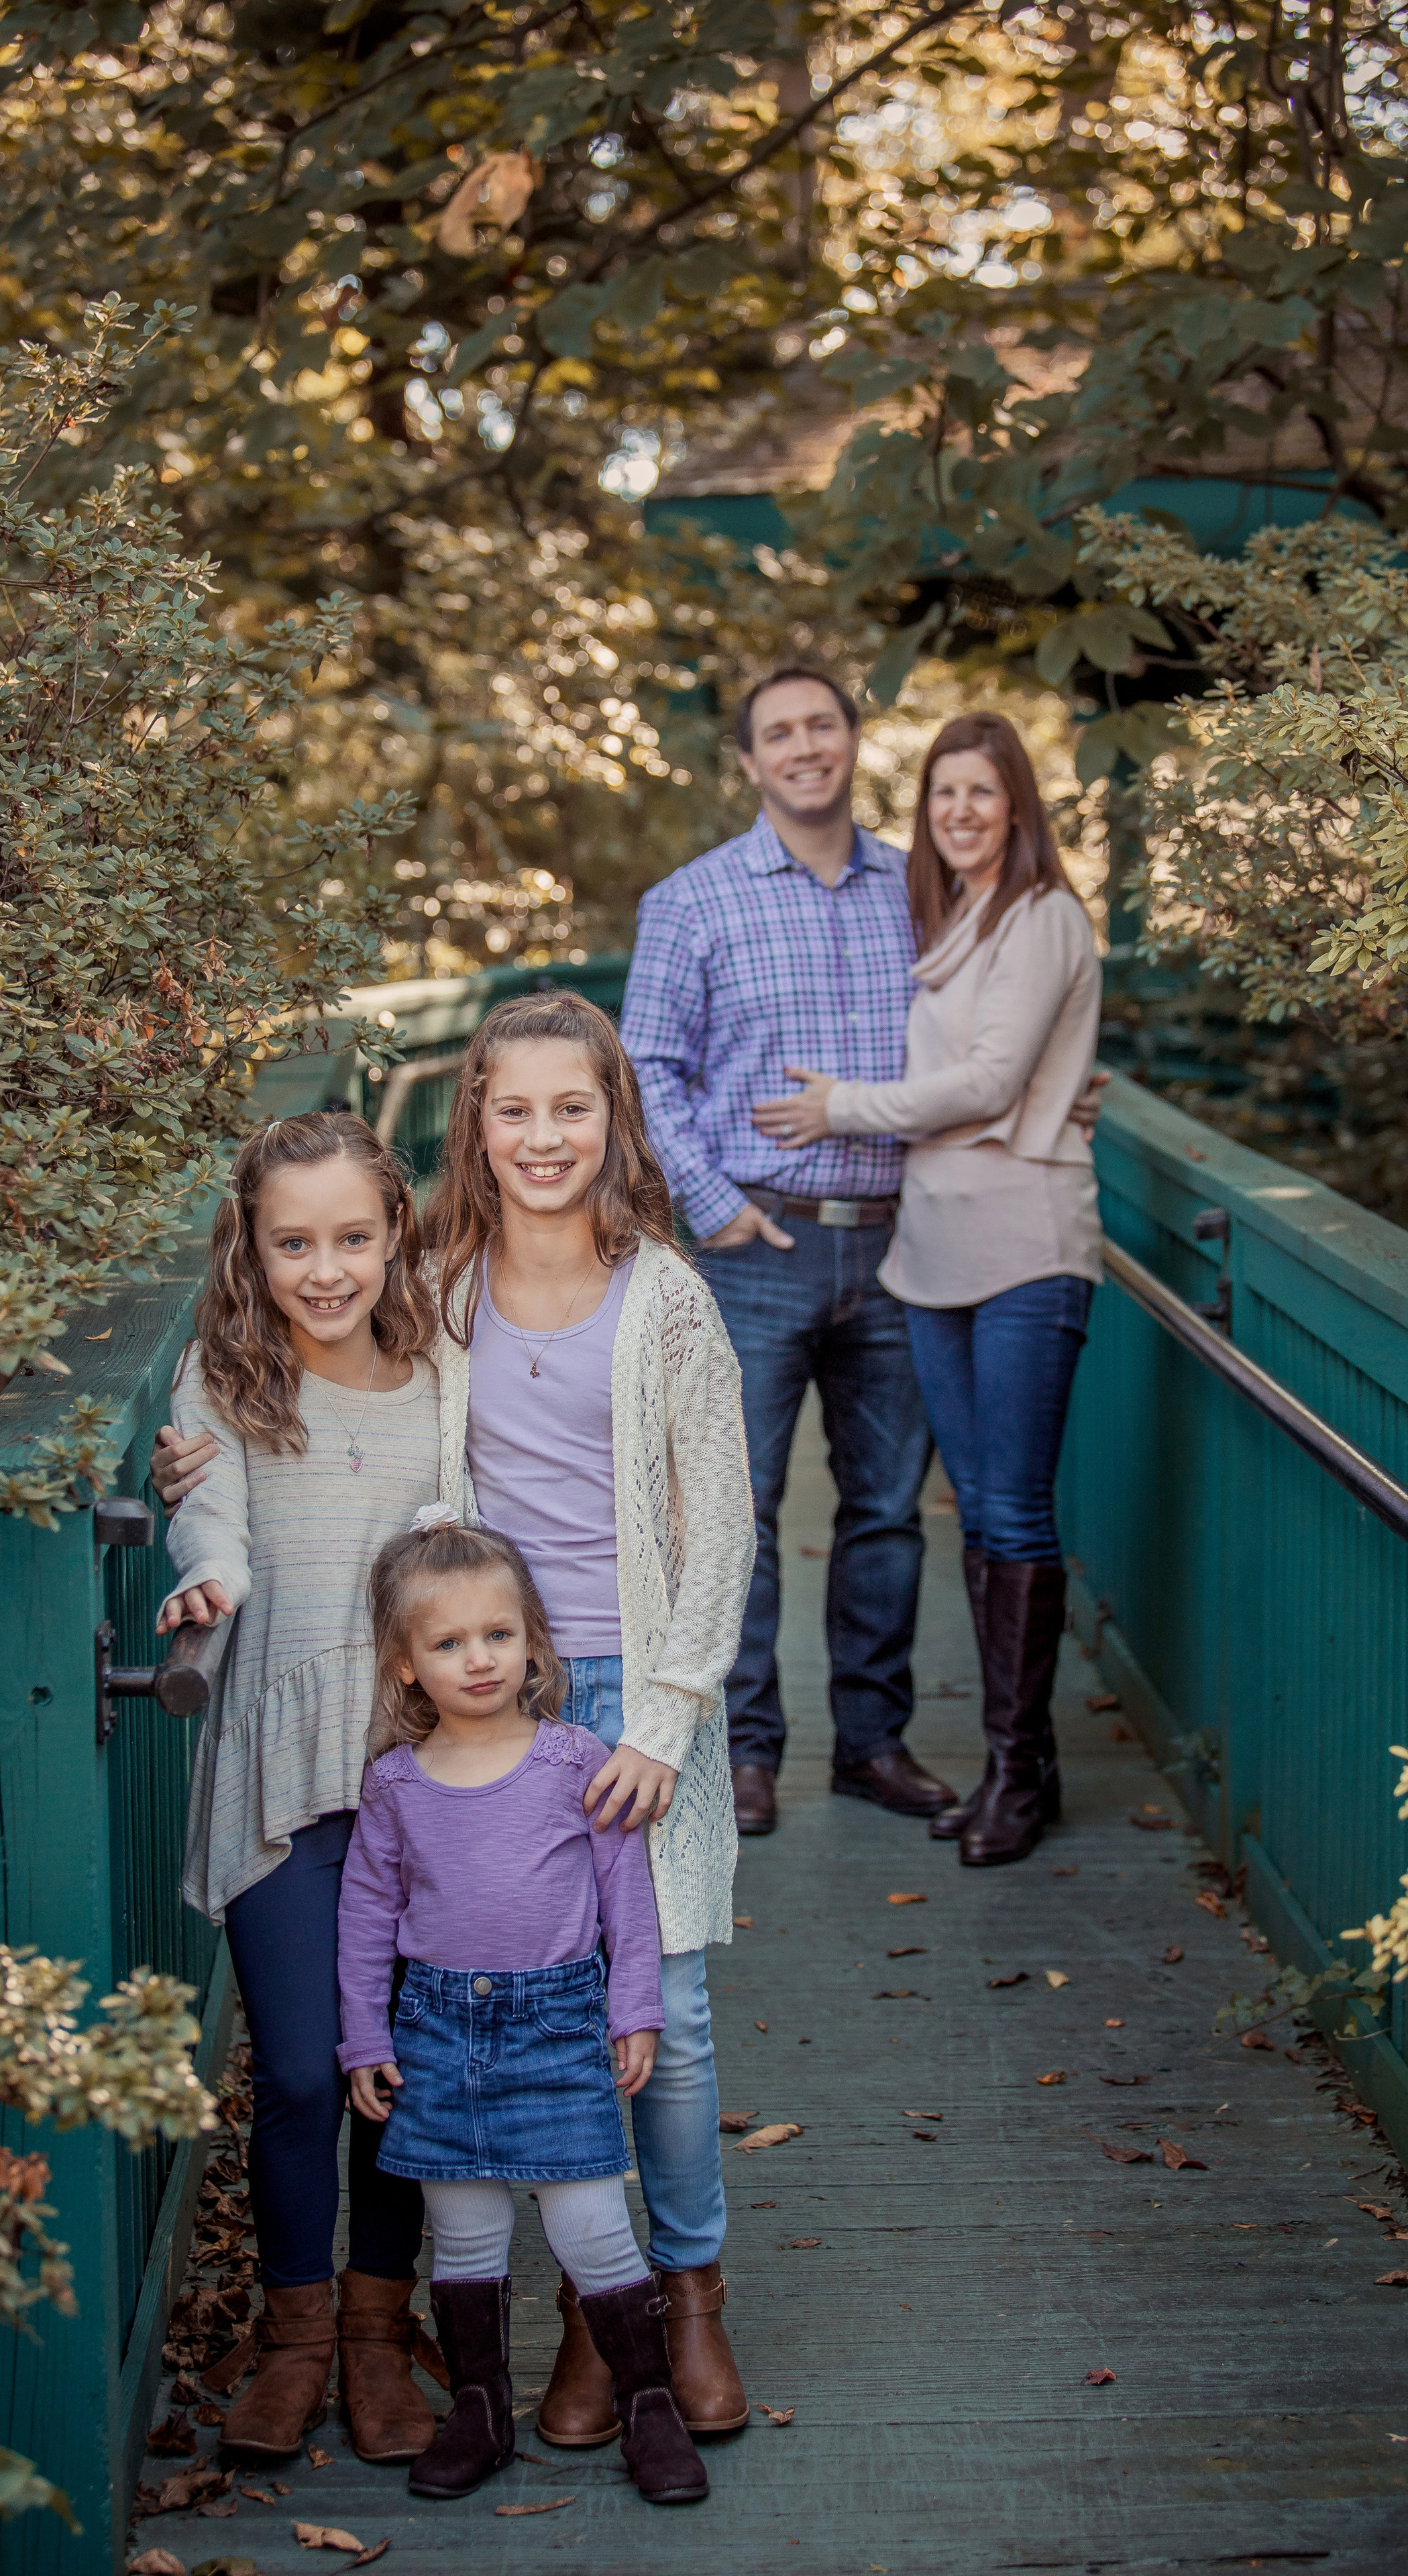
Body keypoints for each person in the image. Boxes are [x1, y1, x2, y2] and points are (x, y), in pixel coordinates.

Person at [421, 989, 755, 2451]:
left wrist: (667, 1725)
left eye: (573, 1107)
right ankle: (587, 2311)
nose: (543, 1136)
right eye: (515, 1110)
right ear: (476, 1124)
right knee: (542, 2026)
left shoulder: (665, 1297)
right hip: (500, 1708)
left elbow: (724, 1526)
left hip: (639, 1702)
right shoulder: (437, 1286)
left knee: (664, 2021)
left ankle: (688, 2302)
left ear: (611, 1118)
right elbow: (322, 1384)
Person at [751, 710, 1103, 1868]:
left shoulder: (1044, 916)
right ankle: (1025, 1766)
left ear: (1018, 806)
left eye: (981, 794)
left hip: (1026, 1246)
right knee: (975, 1518)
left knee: (1012, 1512)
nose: (959, 813)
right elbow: (976, 1073)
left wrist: (840, 1107)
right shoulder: (949, 920)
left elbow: (995, 1077)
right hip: (932, 1251)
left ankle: (1013, 1772)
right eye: (942, 795)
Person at [152, 1110, 445, 2467]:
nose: (324, 1269)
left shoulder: (448, 1368)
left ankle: (384, 2337)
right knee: (298, 2075)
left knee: (390, 2066)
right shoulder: (224, 1377)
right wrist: (204, 1575)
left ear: (394, 1229)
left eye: (350, 1237)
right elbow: (203, 1510)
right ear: (251, 1249)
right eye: (291, 1244)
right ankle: (294, 2335)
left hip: (413, 1769)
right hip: (278, 1757)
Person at [619, 666, 954, 1841]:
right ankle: (744, 1752)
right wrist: (711, 1204)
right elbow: (644, 1068)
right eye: (780, 733)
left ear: (853, 741)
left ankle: (873, 1744)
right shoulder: (694, 900)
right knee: (737, 1511)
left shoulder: (922, 891)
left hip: (905, 1245)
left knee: (888, 1512)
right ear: (752, 762)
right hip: (753, 1245)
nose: (805, 746)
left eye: (823, 723)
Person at [337, 1512, 708, 2508]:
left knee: (590, 2222)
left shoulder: (574, 1762)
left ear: (533, 1641)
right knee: (462, 2232)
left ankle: (649, 2406)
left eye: (498, 1635)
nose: (480, 1659)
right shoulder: (396, 1786)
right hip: (434, 2034)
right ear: (407, 1665)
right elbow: (368, 1915)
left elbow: (625, 1894)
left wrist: (634, 2008)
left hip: (555, 2026)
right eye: (449, 1643)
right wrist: (364, 2032)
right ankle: (480, 2408)